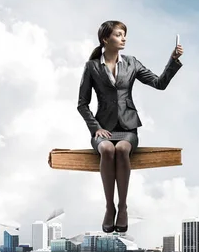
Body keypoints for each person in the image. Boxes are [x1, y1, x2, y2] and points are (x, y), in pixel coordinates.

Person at [77, 20, 183, 233]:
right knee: (107, 149)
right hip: (102, 129)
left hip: (128, 129)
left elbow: (159, 83)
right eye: (118, 34)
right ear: (105, 39)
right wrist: (95, 128)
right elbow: (82, 104)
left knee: (122, 149)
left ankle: (123, 207)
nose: (123, 38)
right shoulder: (91, 67)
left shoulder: (132, 63)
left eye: (124, 34)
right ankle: (110, 208)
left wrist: (173, 61)